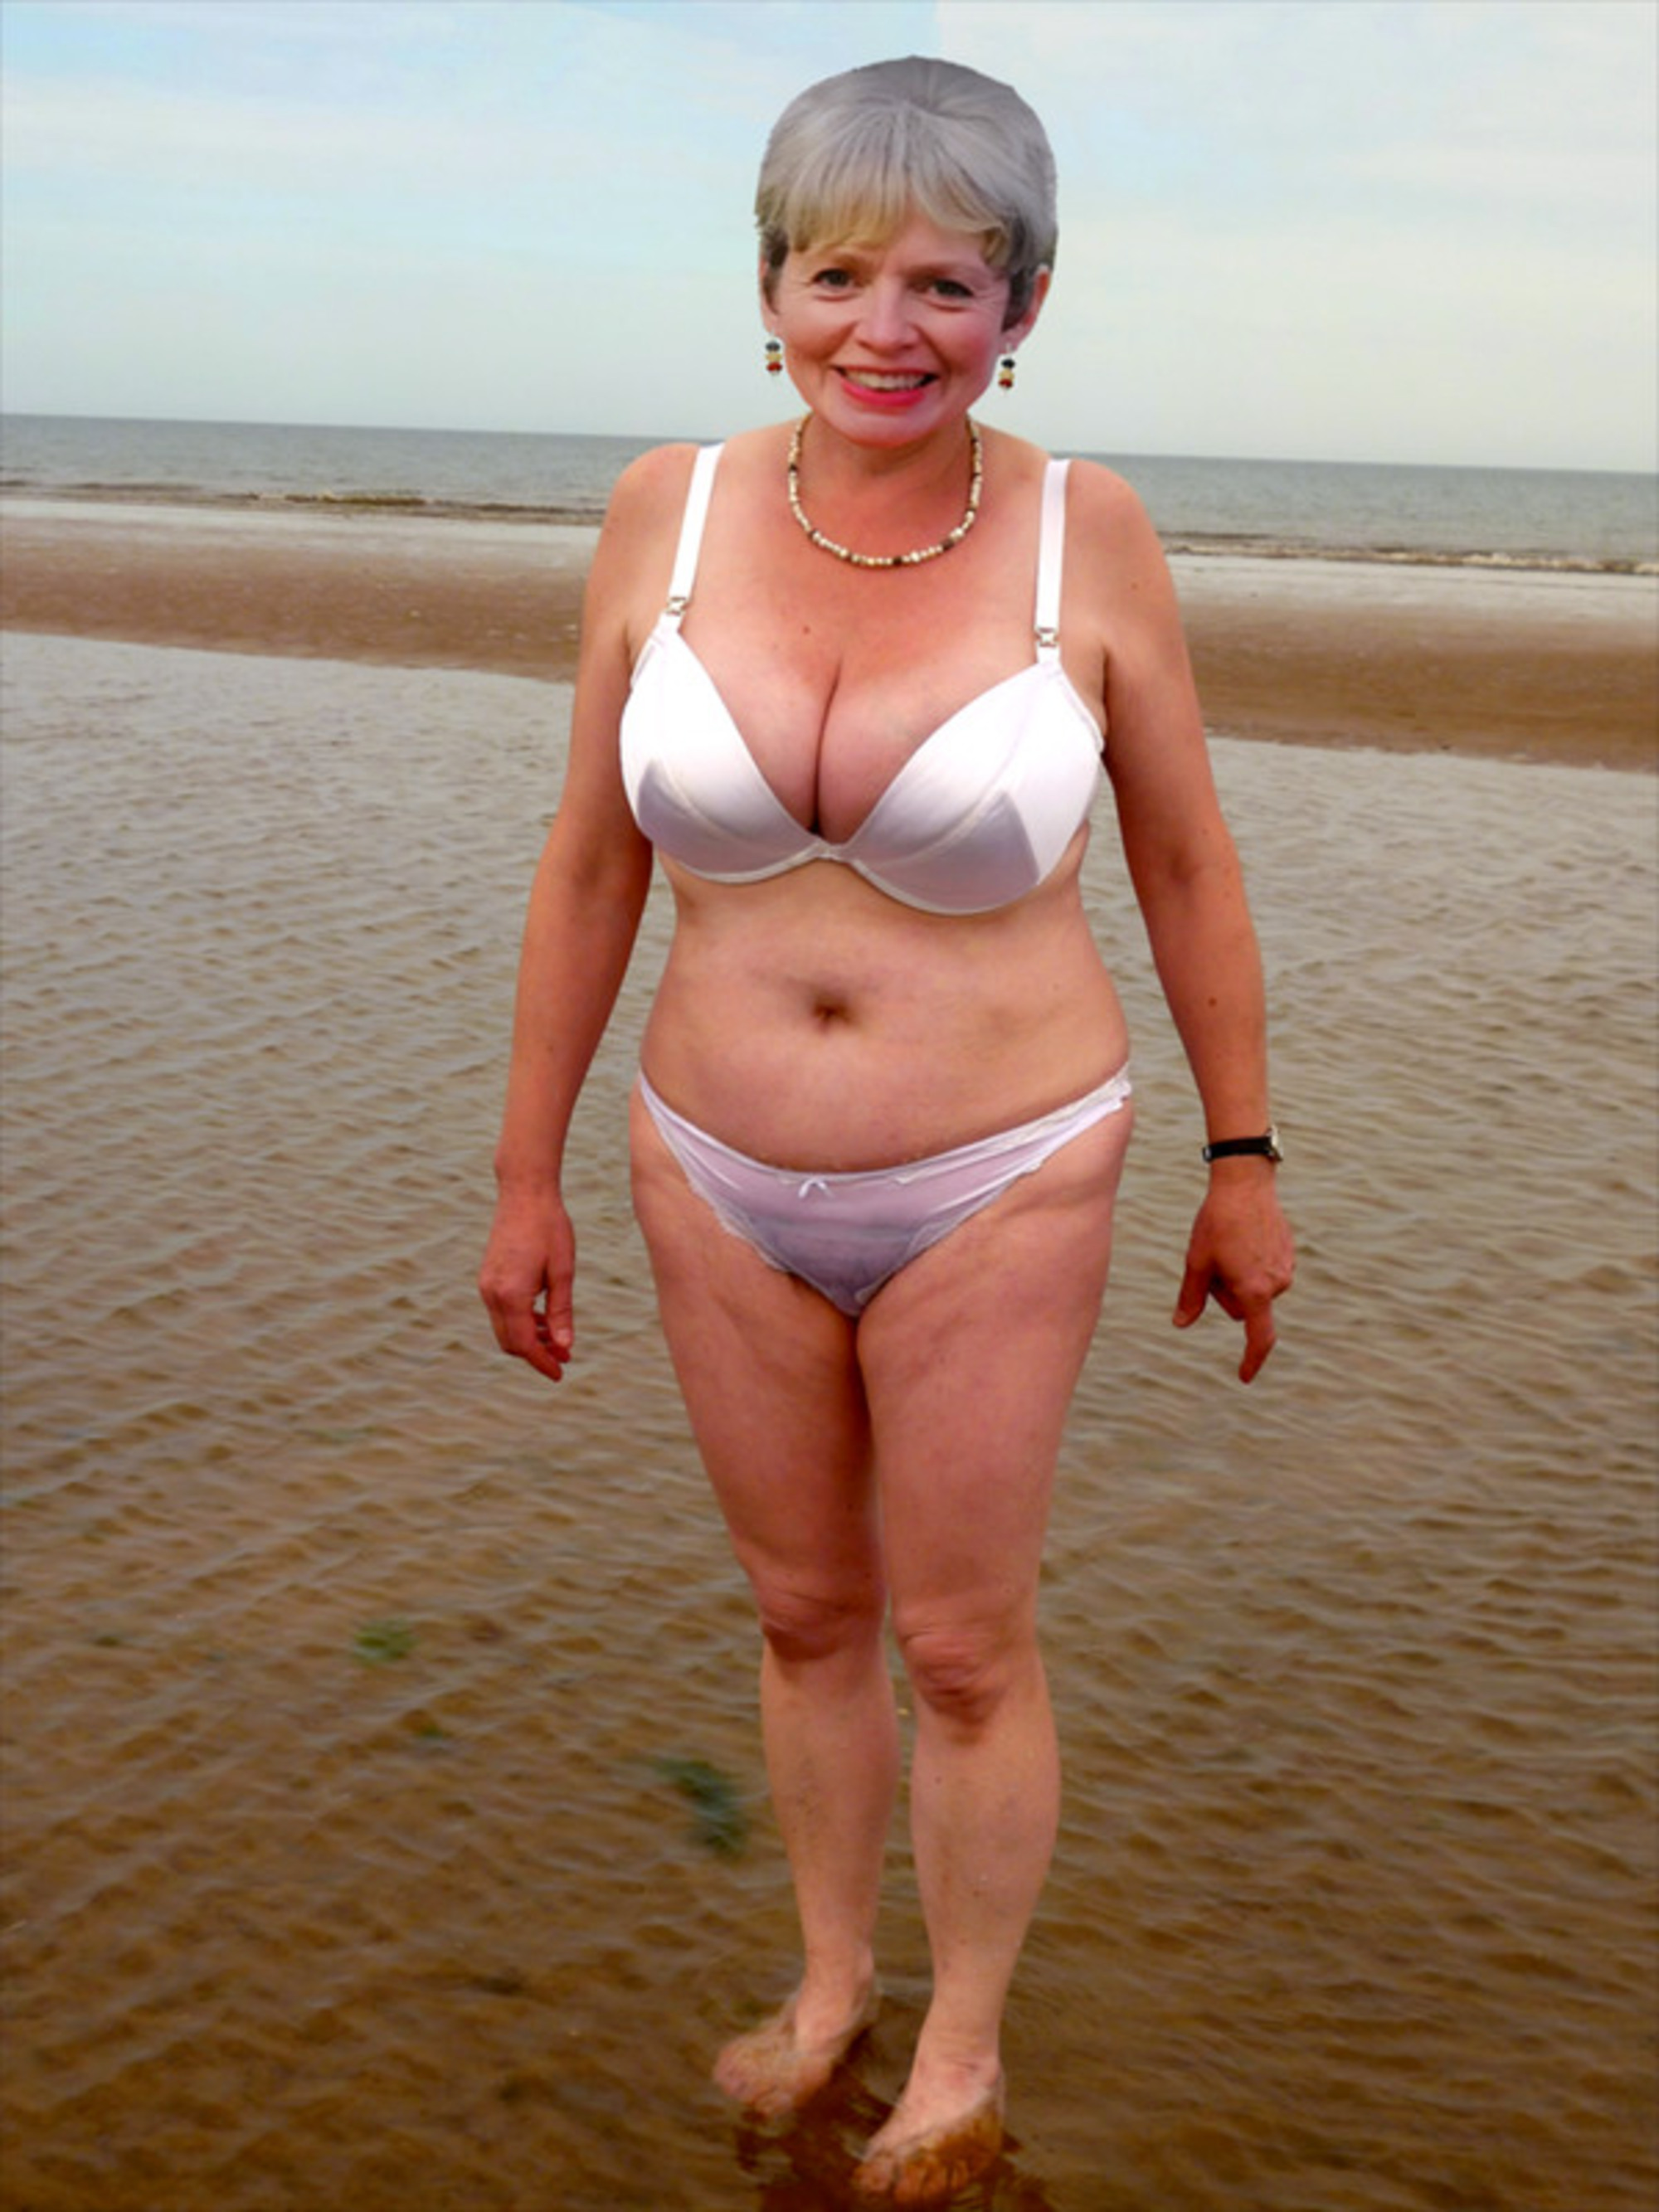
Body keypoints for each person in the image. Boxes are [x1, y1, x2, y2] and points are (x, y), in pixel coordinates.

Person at [479, 53, 1295, 2205]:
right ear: (771, 290)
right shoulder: (660, 512)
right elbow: (589, 863)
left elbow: (1188, 860)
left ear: (1025, 304)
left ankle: (962, 2037)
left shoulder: (1085, 532)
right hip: (709, 1159)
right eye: (840, 274)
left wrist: (1244, 1159)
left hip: (1001, 1169)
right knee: (800, 1612)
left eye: (948, 280)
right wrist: (524, 1176)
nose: (889, 328)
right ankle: (836, 1980)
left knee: (959, 1638)